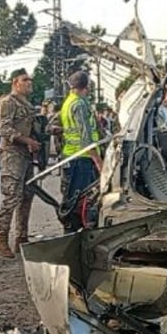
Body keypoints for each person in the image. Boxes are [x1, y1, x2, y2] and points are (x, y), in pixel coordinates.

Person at [0, 68, 40, 258]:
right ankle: (1, 239)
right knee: (11, 196)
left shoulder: (27, 104)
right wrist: (26, 141)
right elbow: (3, 128)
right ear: (15, 82)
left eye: (30, 80)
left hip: (26, 155)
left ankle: (21, 237)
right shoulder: (7, 102)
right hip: (12, 154)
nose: (29, 83)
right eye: (24, 80)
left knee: (27, 196)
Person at [57, 71, 103, 233]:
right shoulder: (80, 105)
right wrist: (99, 162)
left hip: (72, 156)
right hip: (82, 158)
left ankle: (71, 230)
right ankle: (74, 232)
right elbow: (86, 137)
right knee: (81, 199)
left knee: (72, 197)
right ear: (86, 87)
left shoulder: (68, 102)